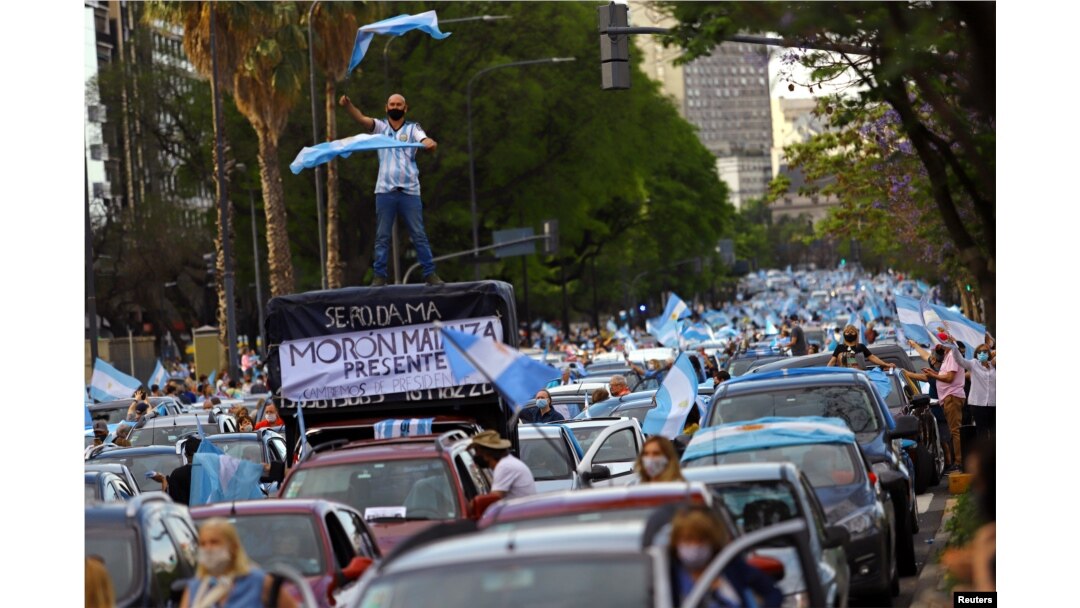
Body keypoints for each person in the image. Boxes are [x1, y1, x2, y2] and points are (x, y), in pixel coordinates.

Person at [339, 92, 443, 286]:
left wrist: (429, 143)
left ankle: (430, 273)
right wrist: (348, 106)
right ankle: (380, 276)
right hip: (385, 191)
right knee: (382, 236)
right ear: (386, 108)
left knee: (418, 234)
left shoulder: (413, 128)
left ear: (405, 108)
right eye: (392, 104)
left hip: (409, 191)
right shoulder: (380, 127)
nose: (395, 107)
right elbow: (361, 119)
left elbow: (426, 141)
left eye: (399, 104)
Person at [669, 506, 783, 607]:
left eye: (701, 540)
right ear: (676, 541)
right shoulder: (669, 574)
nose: (694, 546)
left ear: (713, 541)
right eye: (688, 539)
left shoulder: (730, 565)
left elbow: (773, 593)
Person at [181, 518, 297, 608]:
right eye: (203, 544)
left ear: (233, 547)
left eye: (214, 542)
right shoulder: (195, 588)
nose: (208, 548)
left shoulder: (259, 582)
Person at [904, 341, 957, 470]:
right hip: (940, 407)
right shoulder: (937, 367)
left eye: (932, 358)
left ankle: (950, 462)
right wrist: (915, 344)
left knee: (947, 436)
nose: (930, 360)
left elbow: (926, 377)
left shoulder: (942, 371)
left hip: (943, 407)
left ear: (935, 360)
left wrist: (908, 374)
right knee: (945, 435)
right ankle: (951, 461)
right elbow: (924, 355)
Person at [922, 333, 967, 472]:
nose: (939, 347)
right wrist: (933, 373)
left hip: (952, 396)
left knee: (955, 431)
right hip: (948, 397)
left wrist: (933, 375)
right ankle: (958, 461)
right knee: (954, 431)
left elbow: (949, 378)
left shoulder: (953, 355)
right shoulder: (948, 356)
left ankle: (959, 462)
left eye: (940, 343)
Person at [469, 430, 536, 501]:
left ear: (486, 453)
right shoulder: (507, 462)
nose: (475, 455)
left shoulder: (505, 466)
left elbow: (493, 498)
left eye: (476, 451)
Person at [951, 340, 996, 440]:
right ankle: (983, 454)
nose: (982, 354)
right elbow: (960, 360)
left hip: (993, 404)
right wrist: (953, 346)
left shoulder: (994, 365)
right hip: (977, 404)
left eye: (984, 351)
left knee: (994, 432)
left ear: (989, 353)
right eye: (979, 352)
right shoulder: (973, 364)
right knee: (982, 432)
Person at [152, 436, 201, 506]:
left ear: (185, 454)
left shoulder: (177, 474)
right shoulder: (209, 472)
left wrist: (163, 480)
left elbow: (168, 501)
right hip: (209, 515)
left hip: (184, 514)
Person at [826, 325, 895, 370]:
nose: (849, 334)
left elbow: (872, 357)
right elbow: (832, 362)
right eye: (847, 332)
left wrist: (885, 364)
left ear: (856, 334)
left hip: (860, 377)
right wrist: (824, 372)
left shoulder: (861, 346)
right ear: (844, 334)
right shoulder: (839, 347)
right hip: (845, 377)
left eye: (852, 332)